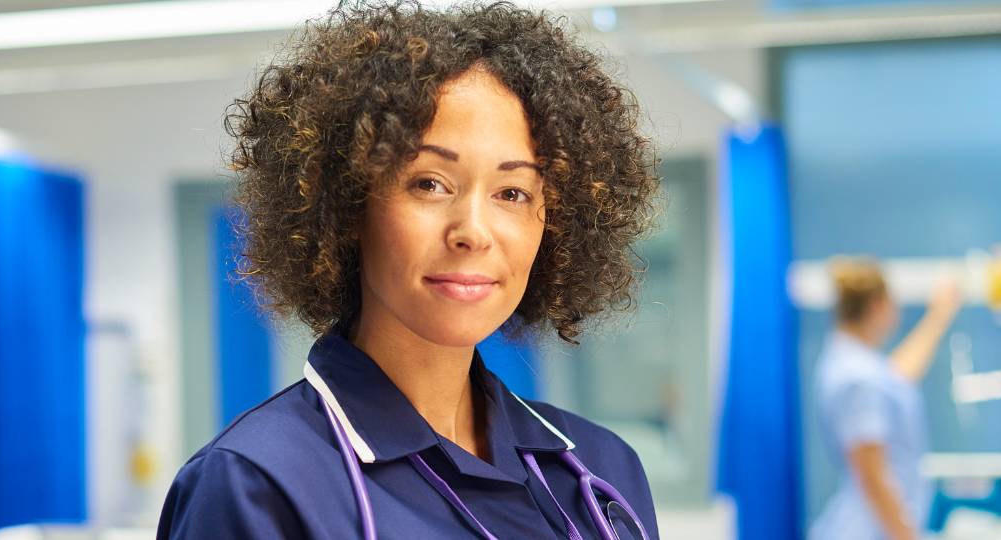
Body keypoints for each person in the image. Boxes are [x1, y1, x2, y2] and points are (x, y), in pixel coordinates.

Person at [158, 1, 660, 538]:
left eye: (512, 192)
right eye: (429, 183)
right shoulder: (257, 483)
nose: (473, 230)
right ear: (350, 203)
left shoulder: (603, 468)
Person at [810, 257, 963, 540]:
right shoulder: (857, 378)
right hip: (870, 529)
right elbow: (873, 476)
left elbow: (897, 378)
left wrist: (939, 314)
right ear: (878, 305)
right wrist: (907, 537)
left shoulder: (852, 363)